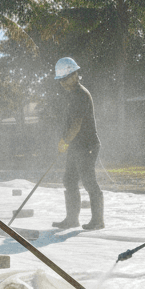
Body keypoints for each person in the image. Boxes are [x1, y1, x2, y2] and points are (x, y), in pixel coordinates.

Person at [52, 57, 104, 231]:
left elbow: (76, 124)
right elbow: (70, 123)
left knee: (88, 181)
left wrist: (65, 141)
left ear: (74, 75)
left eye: (65, 79)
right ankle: (72, 219)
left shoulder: (81, 95)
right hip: (76, 146)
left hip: (87, 145)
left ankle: (98, 221)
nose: (62, 83)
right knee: (69, 180)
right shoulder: (73, 95)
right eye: (60, 80)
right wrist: (65, 140)